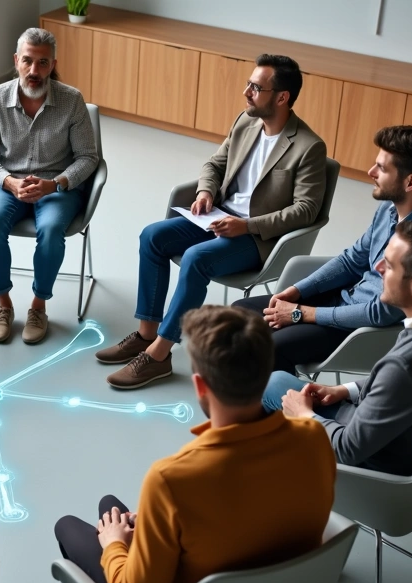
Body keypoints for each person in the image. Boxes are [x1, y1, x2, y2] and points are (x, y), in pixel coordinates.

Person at [54, 306, 335, 583]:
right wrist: (152, 522)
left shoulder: (172, 479)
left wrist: (114, 545)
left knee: (74, 525)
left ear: (201, 387)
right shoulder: (313, 436)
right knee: (112, 507)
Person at [98, 54, 327, 389]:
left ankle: (160, 354)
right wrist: (206, 192)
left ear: (282, 97)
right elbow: (215, 164)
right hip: (219, 216)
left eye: (256, 87)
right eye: (248, 84)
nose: (246, 92)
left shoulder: (308, 147)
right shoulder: (246, 122)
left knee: (195, 259)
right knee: (152, 237)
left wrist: (246, 226)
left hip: (256, 238)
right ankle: (147, 333)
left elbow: (306, 210)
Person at [263, 221, 412, 475]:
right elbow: (405, 389)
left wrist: (304, 415)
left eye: (390, 265)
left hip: (374, 465)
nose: (377, 268)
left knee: (268, 387)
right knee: (274, 383)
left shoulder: (406, 367)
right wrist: (343, 390)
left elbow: (346, 450)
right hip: (405, 433)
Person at [233, 125, 412, 374]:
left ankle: (277, 407)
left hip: (362, 329)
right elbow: (353, 260)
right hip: (343, 300)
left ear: (410, 181)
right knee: (241, 313)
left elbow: (382, 312)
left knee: (273, 347)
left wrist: (300, 313)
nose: (371, 172)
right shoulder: (390, 208)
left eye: (381, 168)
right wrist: (297, 291)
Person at [0, 27, 100, 345]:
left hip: (56, 187)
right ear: (16, 60)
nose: (34, 71)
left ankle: (38, 306)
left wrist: (54, 184)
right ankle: (3, 305)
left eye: (43, 63)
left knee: (53, 229)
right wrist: (8, 181)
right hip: (10, 183)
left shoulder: (72, 101)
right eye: (27, 61)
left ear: (53, 64)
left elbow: (88, 158)